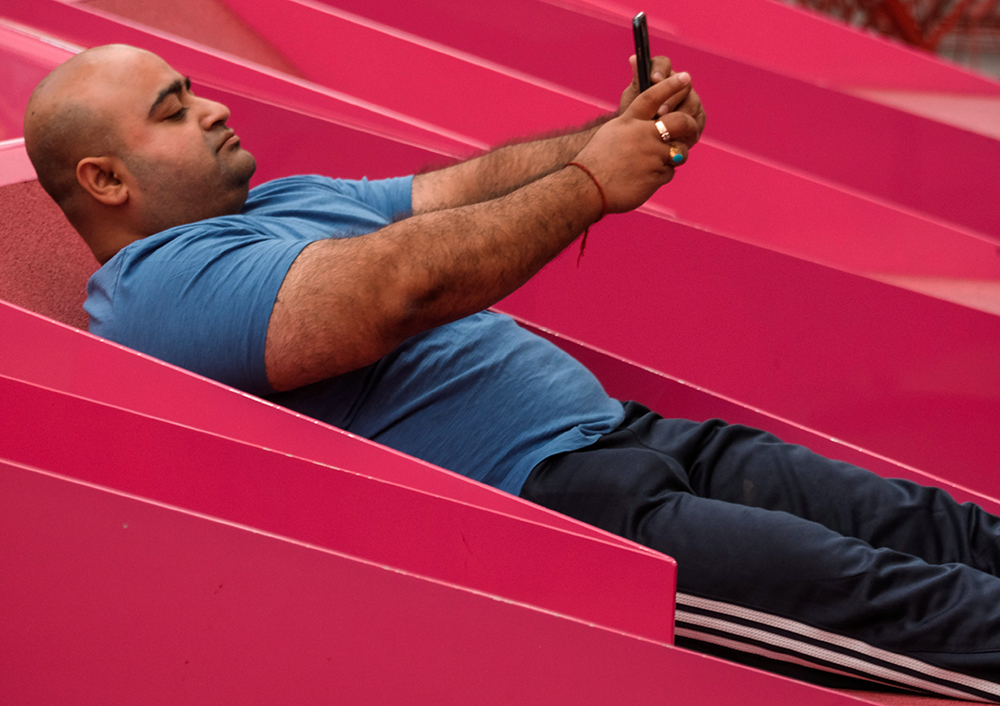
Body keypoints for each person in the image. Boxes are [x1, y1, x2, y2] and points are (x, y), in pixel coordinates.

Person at [23, 44, 1000, 702]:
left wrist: (614, 135)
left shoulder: (282, 203)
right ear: (107, 179)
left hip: (635, 443)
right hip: (585, 522)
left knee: (942, 532)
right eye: (174, 110)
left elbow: (458, 190)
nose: (215, 107)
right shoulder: (160, 287)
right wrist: (588, 186)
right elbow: (390, 290)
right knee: (927, 618)